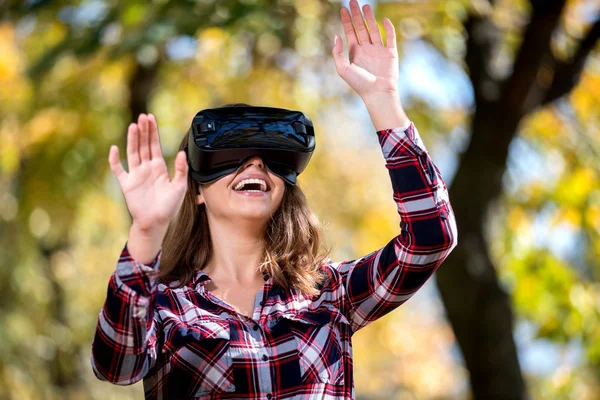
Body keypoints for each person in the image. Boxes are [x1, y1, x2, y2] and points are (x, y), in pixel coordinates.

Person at [90, 0, 458, 398]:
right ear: (196, 190)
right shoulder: (165, 308)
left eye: (270, 159)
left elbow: (430, 239)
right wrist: (145, 234)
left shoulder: (328, 294)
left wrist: (383, 99)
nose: (254, 166)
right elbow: (116, 364)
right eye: (231, 157)